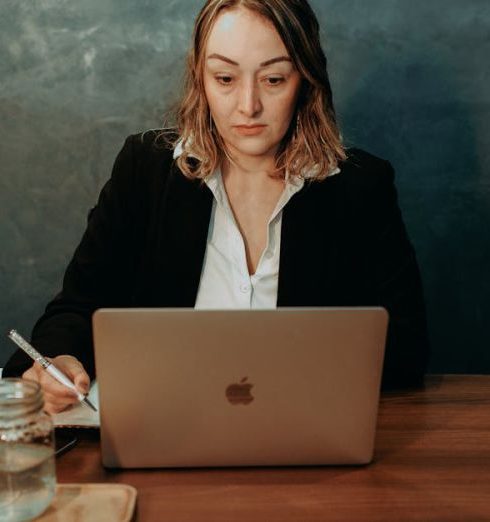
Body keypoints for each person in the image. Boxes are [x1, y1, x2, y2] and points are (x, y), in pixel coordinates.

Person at [4, 0, 430, 413]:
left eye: (274, 79)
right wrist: (57, 361)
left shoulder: (361, 186)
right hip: (163, 431)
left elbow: (405, 351)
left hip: (303, 437)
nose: (248, 106)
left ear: (306, 80)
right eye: (225, 78)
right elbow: (76, 308)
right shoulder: (145, 169)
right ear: (200, 80)